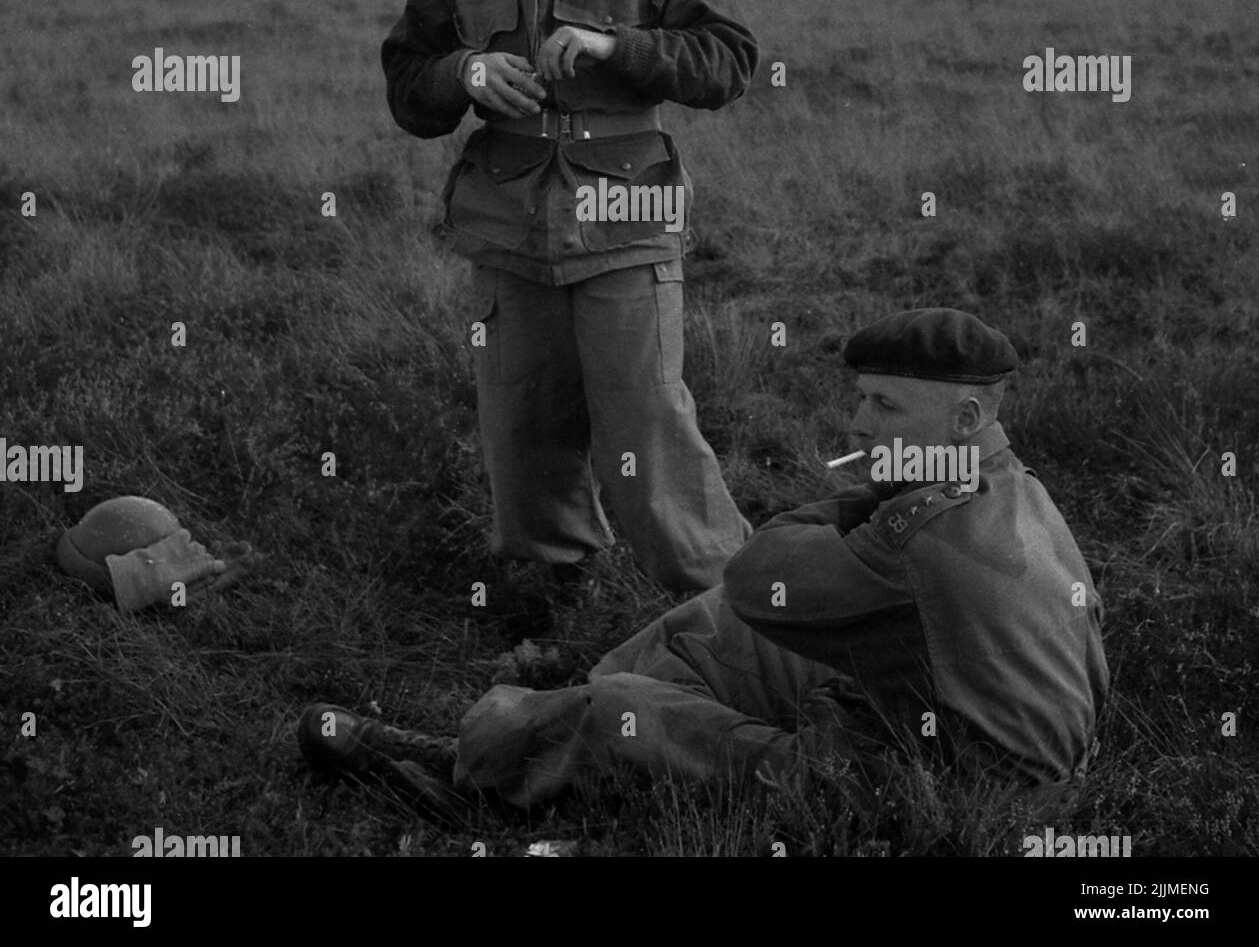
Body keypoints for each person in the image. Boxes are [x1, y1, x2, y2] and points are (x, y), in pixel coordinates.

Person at [298, 307, 1109, 822]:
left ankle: (470, 773)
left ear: (964, 415)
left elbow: (759, 573)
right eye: (860, 398)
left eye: (884, 405)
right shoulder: (1019, 490)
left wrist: (844, 504)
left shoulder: (920, 536)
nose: (857, 423)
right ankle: (543, 735)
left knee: (626, 700)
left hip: (939, 791)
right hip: (973, 739)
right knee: (710, 625)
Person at [381, 0, 757, 596]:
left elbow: (729, 64)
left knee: (646, 422)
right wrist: (466, 74)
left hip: (625, 218)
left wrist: (616, 47)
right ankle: (546, 597)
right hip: (508, 224)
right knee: (522, 425)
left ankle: (723, 605)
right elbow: (410, 87)